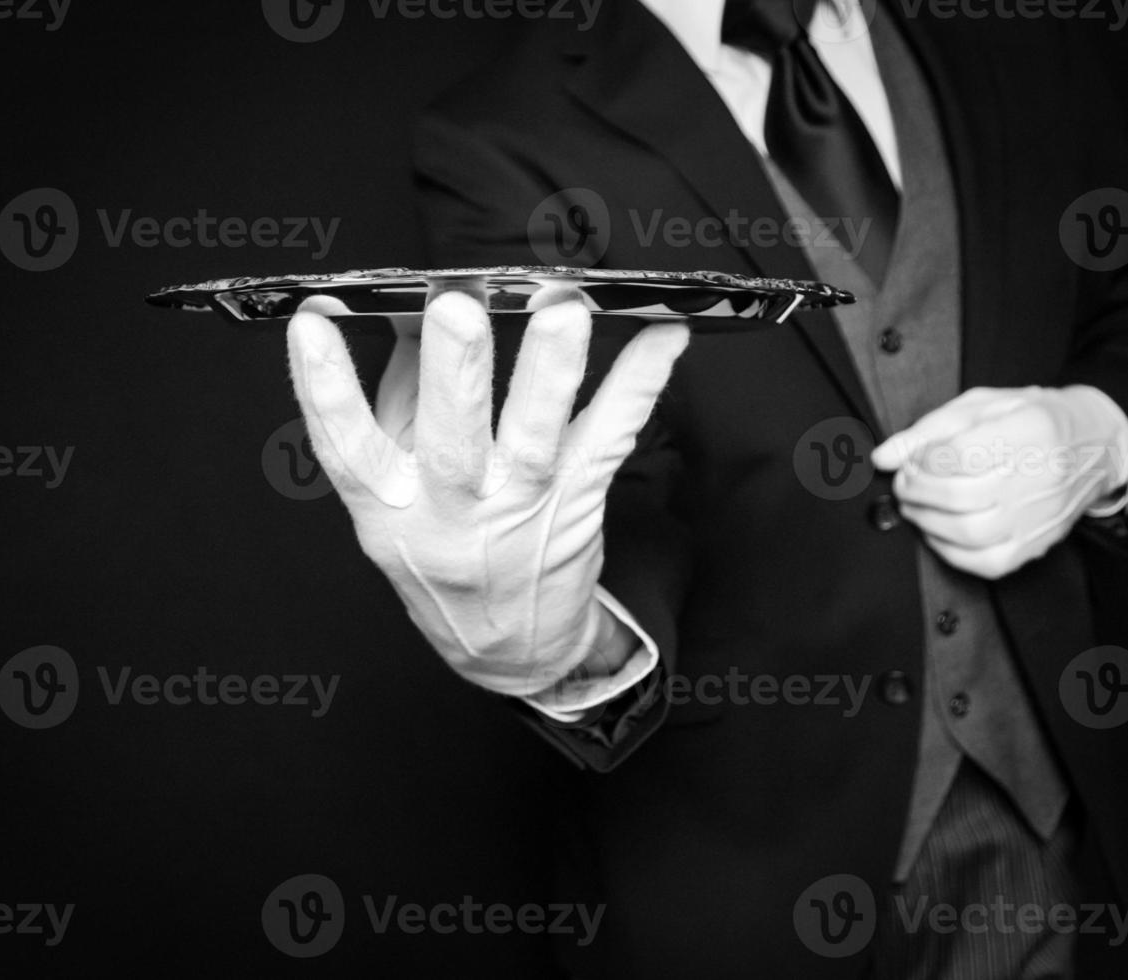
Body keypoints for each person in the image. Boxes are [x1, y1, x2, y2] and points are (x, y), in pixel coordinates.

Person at [286, 0, 1128, 974]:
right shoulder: (503, 130)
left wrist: (1104, 436)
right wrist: (561, 645)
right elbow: (604, 486)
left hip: (1067, 815)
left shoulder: (1024, 27)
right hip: (757, 874)